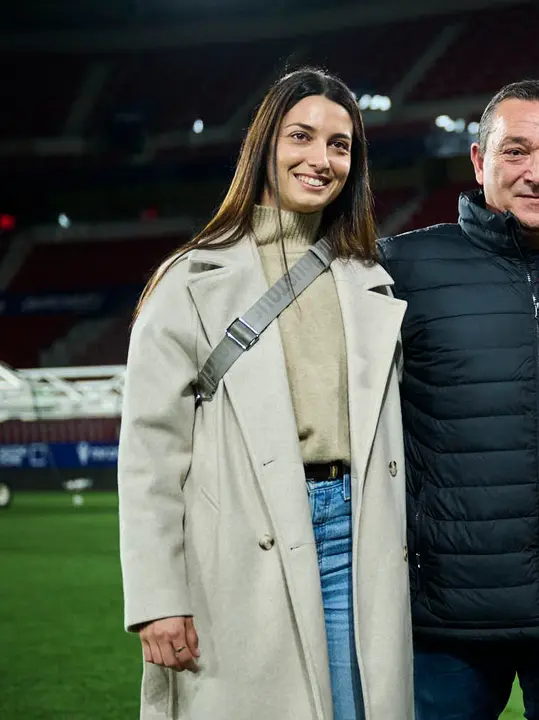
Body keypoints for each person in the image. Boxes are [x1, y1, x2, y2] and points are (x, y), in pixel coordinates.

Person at [118, 68, 411, 719]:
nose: (321, 159)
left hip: (355, 533)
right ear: (264, 147)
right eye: (301, 136)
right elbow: (150, 454)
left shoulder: (370, 278)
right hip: (239, 541)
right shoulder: (190, 279)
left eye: (340, 145)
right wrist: (158, 596)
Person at [380, 79, 539, 720]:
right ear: (479, 161)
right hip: (447, 621)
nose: (538, 173)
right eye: (516, 151)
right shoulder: (400, 270)